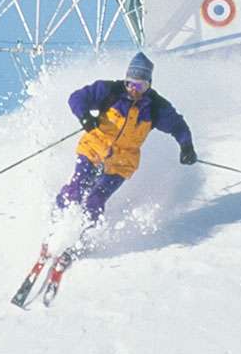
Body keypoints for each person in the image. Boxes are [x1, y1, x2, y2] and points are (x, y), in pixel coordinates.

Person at [54, 51, 196, 227]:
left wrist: (186, 147)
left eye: (140, 86)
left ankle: (82, 240)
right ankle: (56, 223)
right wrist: (85, 116)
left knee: (95, 200)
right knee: (77, 190)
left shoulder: (155, 107)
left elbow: (178, 126)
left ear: (148, 85)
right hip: (94, 149)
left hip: (122, 163)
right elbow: (77, 98)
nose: (134, 90)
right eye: (130, 84)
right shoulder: (110, 91)